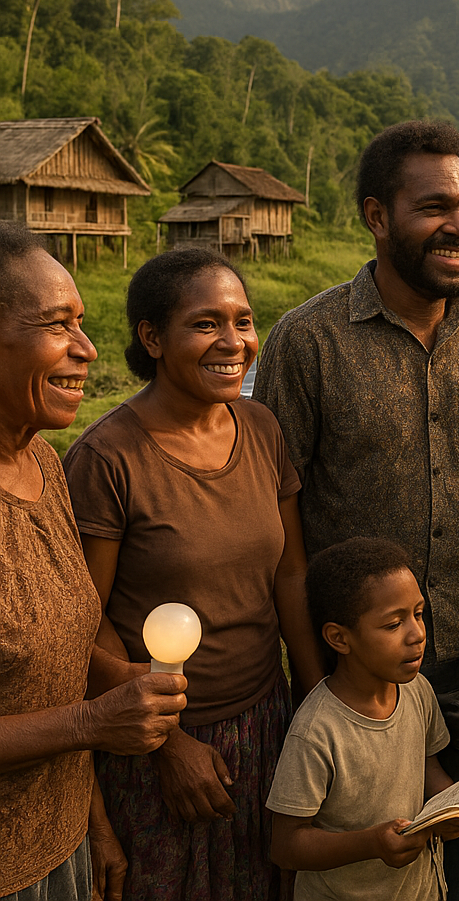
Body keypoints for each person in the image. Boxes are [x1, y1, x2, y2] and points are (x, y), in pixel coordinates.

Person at [253, 119, 459, 901]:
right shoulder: (307, 342)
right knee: (365, 865)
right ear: (377, 216)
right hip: (357, 674)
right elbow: (279, 517)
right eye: (435, 207)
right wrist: (319, 678)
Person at [63, 248, 324, 901]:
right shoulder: (108, 458)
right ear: (152, 338)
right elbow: (82, 625)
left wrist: (316, 703)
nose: (234, 342)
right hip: (155, 747)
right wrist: (168, 744)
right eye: (206, 324)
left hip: (265, 722)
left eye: (243, 320)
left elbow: (290, 576)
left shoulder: (261, 428)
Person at [0, 224, 187, 901]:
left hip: (61, 844)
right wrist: (93, 722)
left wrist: (93, 820)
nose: (87, 349)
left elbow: (55, 643)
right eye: (57, 325)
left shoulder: (43, 464)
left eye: (81, 323)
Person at [269, 537, 459, 900]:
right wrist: (371, 844)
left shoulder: (417, 690)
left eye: (418, 613)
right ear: (339, 638)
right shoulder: (317, 732)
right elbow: (286, 845)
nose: (417, 634)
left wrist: (456, 806)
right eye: (393, 624)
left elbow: (427, 769)